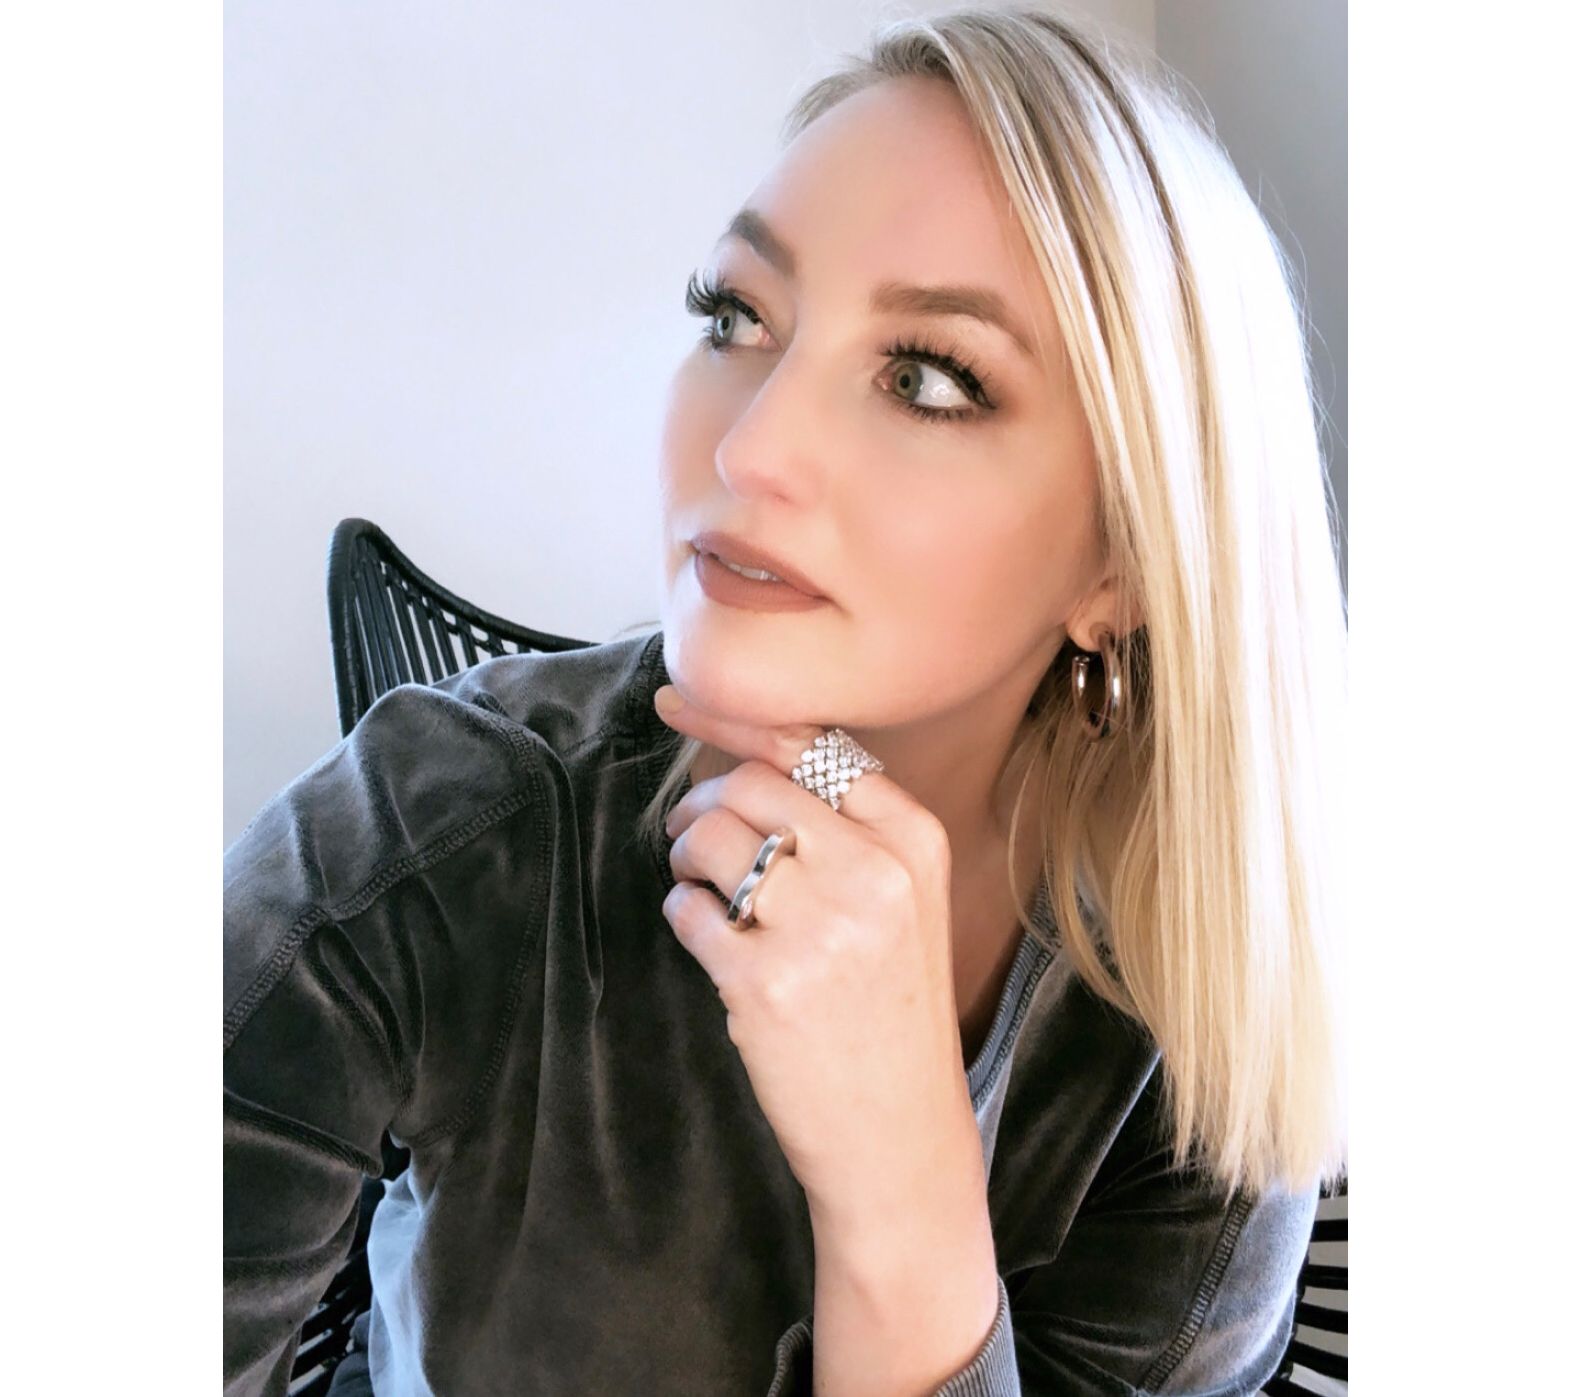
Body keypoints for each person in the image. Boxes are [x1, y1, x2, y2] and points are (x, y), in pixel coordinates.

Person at [223, 5, 1347, 1394]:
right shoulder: (439, 817)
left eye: (928, 378)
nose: (750, 446)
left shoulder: (1192, 1044)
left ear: (1123, 564)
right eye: (739, 316)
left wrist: (905, 1210)